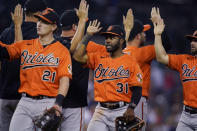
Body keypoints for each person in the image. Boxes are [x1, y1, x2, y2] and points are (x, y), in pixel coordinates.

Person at [0, 8, 72, 131]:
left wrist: (58, 103)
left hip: (48, 103)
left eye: (44, 22)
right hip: (25, 101)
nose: (39, 24)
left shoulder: (62, 51)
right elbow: (5, 51)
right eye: (39, 20)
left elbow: (65, 79)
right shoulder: (26, 45)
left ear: (53, 27)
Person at [73, 19, 143, 131]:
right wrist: (88, 35)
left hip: (122, 110)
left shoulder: (131, 62)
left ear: (121, 41)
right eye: (107, 38)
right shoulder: (98, 57)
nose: (108, 40)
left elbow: (137, 89)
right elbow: (77, 57)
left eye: (112, 37)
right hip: (101, 111)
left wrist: (131, 108)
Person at [0, 0, 47, 130]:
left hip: (5, 95)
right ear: (39, 14)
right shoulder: (40, 36)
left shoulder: (5, 33)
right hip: (27, 99)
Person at [122, 8, 171, 131]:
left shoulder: (119, 52)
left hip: (118, 101)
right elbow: (166, 47)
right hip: (136, 101)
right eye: (143, 32)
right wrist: (158, 23)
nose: (145, 34)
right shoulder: (142, 52)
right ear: (138, 36)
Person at [153, 8, 197, 131]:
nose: (192, 43)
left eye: (196, 41)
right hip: (186, 115)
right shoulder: (185, 60)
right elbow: (161, 57)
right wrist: (157, 35)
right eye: (192, 40)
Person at [57, 0, 89, 130]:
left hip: (52, 101)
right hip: (74, 105)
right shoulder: (87, 45)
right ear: (76, 27)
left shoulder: (53, 43)